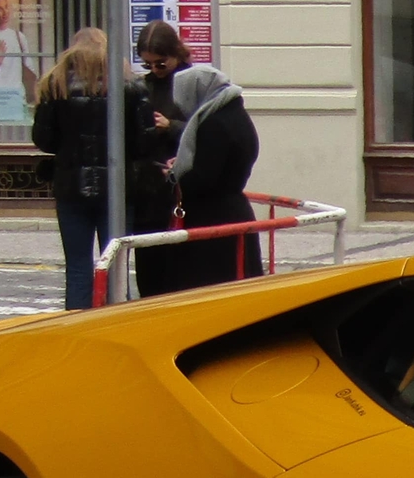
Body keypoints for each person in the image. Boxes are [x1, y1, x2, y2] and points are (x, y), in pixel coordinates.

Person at [29, 28, 152, 311]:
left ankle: (77, 325)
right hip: (118, 188)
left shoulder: (55, 85)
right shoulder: (129, 86)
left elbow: (44, 140)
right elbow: (145, 141)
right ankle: (118, 322)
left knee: (78, 266)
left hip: (71, 188)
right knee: (117, 265)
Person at [142, 62, 259, 296]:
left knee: (206, 293)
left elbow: (204, 177)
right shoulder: (236, 113)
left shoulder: (213, 123)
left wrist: (176, 177)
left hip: (211, 222)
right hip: (233, 214)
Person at [128, 21, 195, 291]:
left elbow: (206, 130)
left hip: (181, 187)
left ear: (176, 54)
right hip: (148, 190)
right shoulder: (144, 87)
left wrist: (171, 127)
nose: (155, 70)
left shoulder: (192, 83)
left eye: (160, 64)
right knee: (148, 265)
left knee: (179, 266)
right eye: (148, 65)